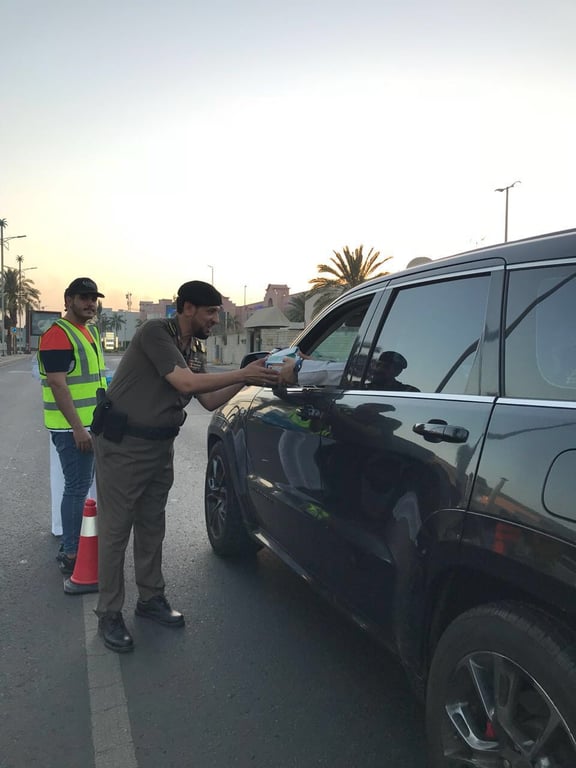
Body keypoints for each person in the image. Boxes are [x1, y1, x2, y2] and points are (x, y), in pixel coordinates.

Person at [92, 280, 280, 653]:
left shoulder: (192, 347)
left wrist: (248, 379)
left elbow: (207, 398)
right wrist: (243, 374)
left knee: (152, 525)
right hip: (123, 445)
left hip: (159, 446)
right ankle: (109, 613)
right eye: (211, 312)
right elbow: (184, 382)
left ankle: (150, 598)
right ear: (188, 308)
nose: (215, 320)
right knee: (116, 531)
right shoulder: (155, 333)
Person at [37, 277, 107, 575]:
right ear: (68, 300)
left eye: (93, 298)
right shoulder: (58, 334)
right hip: (72, 429)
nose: (90, 303)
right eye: (83, 297)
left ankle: (75, 546)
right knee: (77, 488)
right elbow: (57, 383)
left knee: (80, 487)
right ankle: (71, 551)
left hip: (91, 425)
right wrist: (78, 428)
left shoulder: (88, 331)